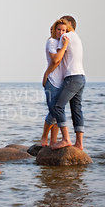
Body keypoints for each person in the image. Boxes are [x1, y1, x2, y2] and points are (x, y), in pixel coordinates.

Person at [48, 15, 86, 150]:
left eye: (63, 26)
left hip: (72, 77)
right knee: (76, 109)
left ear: (69, 24)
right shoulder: (78, 38)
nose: (61, 31)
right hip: (81, 77)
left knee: (56, 106)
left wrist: (47, 74)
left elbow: (56, 59)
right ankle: (79, 143)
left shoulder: (66, 37)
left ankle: (65, 139)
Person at [40, 19, 74, 147]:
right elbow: (55, 60)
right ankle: (44, 137)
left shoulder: (63, 42)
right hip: (52, 82)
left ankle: (53, 140)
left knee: (58, 113)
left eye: (64, 30)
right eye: (59, 29)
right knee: (53, 111)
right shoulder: (52, 42)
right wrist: (46, 74)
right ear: (54, 30)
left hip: (63, 82)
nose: (61, 32)